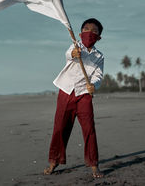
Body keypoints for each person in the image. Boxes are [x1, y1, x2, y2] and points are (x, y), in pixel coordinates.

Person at [44, 18, 104, 178]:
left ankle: (93, 164)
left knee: (89, 129)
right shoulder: (76, 45)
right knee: (60, 127)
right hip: (67, 91)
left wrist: (94, 85)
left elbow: (98, 75)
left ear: (99, 37)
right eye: (86, 29)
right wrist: (73, 53)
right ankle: (54, 161)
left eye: (94, 31)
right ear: (80, 33)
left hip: (84, 94)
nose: (89, 32)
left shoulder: (99, 56)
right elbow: (68, 54)